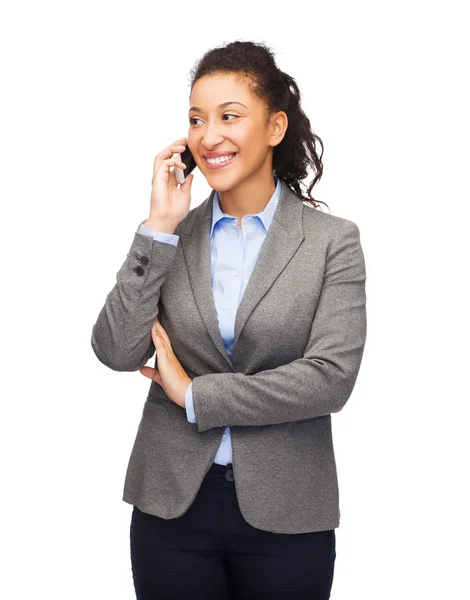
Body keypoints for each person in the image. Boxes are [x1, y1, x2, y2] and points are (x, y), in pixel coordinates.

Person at [91, 40, 367, 600]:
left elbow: (330, 378)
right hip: (171, 507)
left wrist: (196, 396)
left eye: (229, 116)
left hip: (289, 511)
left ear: (274, 127)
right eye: (196, 119)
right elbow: (117, 350)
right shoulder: (171, 237)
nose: (208, 135)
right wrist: (158, 228)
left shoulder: (332, 242)